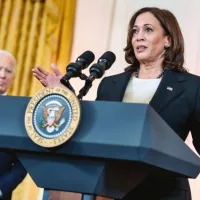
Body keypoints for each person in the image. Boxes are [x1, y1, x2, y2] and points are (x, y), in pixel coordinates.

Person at [32, 7, 200, 200]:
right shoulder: (111, 84)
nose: (139, 37)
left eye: (148, 30)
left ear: (168, 40)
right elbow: (93, 130)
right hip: (113, 192)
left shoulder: (190, 87)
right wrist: (65, 95)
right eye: (135, 31)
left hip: (165, 192)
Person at [0, 50, 27, 200]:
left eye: (8, 71)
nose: (3, 75)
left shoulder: (19, 113)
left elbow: (22, 161)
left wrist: (1, 188)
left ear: (13, 77)